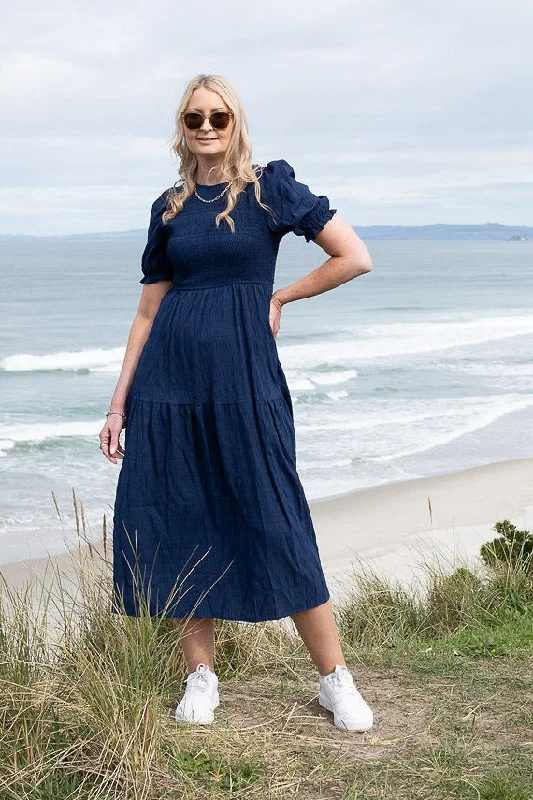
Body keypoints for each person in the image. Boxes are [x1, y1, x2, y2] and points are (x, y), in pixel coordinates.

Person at [99, 73, 374, 732]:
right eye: (194, 118)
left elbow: (353, 256)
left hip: (246, 382)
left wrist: (280, 297)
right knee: (181, 518)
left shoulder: (268, 189)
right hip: (168, 383)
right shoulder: (168, 206)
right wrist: (118, 404)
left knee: (275, 517)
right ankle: (201, 676)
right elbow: (146, 310)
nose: (205, 128)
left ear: (234, 121)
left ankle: (334, 679)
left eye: (217, 117)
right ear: (181, 126)